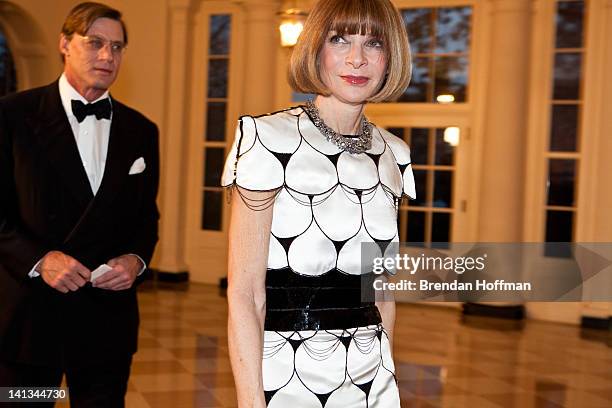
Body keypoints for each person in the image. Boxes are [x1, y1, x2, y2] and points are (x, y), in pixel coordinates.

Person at [222, 0, 415, 406]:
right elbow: (245, 294)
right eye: (340, 39)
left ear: (390, 57)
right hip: (285, 377)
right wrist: (251, 402)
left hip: (371, 380)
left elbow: (380, 293)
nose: (357, 58)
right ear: (316, 50)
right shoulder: (268, 140)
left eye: (374, 43)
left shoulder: (394, 155)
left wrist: (387, 377)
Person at [0, 2, 159, 407]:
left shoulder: (141, 130)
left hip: (107, 324)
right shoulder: (12, 116)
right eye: (95, 43)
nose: (108, 56)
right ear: (65, 44)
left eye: (118, 47)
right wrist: (40, 260)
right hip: (31, 321)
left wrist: (135, 260)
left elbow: (146, 217)